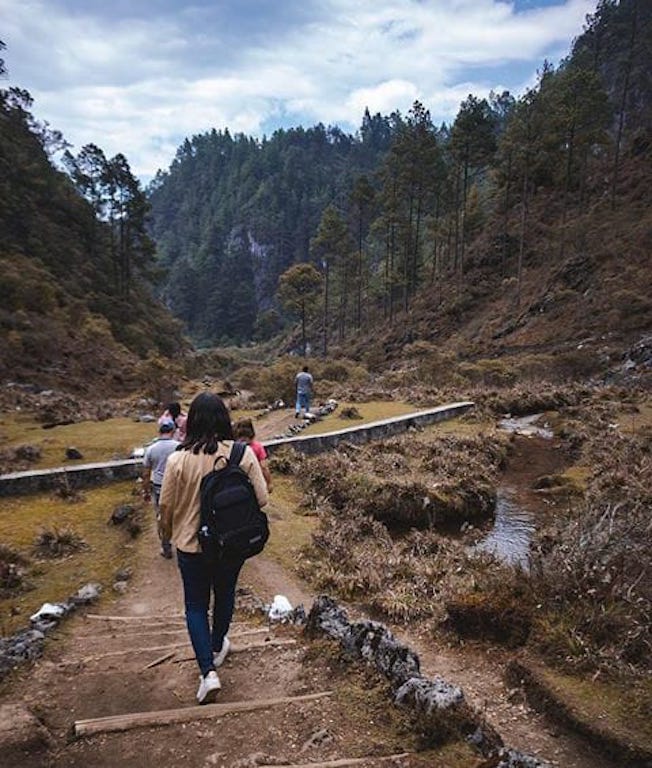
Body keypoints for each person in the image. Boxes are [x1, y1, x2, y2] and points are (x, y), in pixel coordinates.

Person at [159, 392, 268, 704]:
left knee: (195, 606)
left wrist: (167, 536)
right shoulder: (241, 454)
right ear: (224, 419)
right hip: (229, 546)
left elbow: (165, 508)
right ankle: (218, 644)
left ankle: (208, 672)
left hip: (191, 546)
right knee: (225, 594)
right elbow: (262, 499)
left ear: (191, 422)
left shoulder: (178, 459)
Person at [142, 419, 180, 558]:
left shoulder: (151, 449)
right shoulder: (179, 446)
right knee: (180, 513)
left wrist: (145, 491)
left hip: (158, 486)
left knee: (162, 516)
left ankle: (166, 546)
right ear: (173, 431)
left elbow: (146, 472)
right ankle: (183, 543)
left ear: (159, 431)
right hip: (177, 485)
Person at [233, 417, 273, 493]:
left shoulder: (233, 447)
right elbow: (264, 467)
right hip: (254, 482)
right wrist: (269, 483)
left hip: (237, 484)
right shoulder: (257, 447)